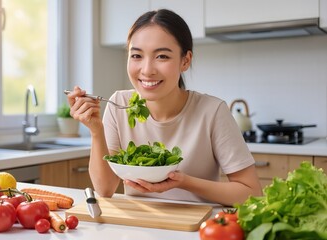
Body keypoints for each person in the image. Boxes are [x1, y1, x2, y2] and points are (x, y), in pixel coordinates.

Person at [66, 9, 262, 206]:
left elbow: (252, 193)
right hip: (139, 225)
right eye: (136, 55)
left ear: (185, 60)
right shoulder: (120, 104)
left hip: (198, 227)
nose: (147, 70)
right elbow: (105, 189)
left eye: (161, 56)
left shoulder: (212, 111)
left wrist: (184, 182)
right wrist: (96, 131)